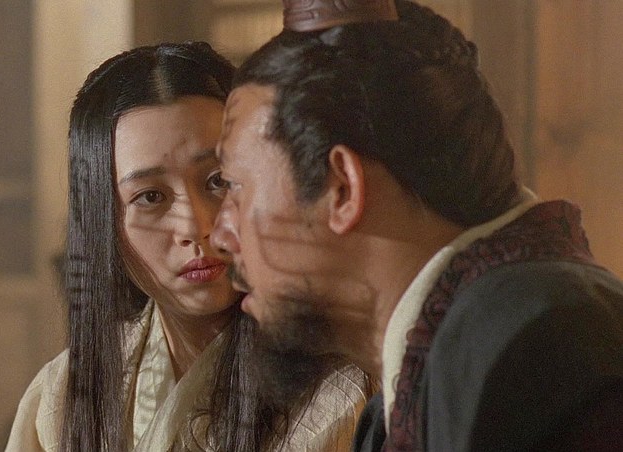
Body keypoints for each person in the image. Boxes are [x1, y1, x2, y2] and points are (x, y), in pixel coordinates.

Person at [211, 1, 623, 451]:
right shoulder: (422, 387)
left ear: (342, 189)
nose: (219, 236)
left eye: (234, 187)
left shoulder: (536, 351)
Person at [5, 41, 373, 452]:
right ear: (103, 219)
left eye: (218, 181)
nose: (196, 227)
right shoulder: (62, 397)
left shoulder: (344, 393)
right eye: (150, 197)